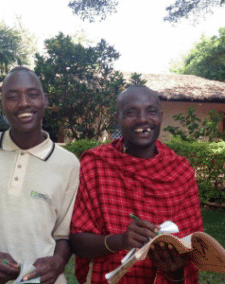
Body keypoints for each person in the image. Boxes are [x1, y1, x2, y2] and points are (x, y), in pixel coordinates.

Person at [69, 85, 203, 284]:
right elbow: (77, 240)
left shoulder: (180, 171)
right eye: (131, 112)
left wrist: (174, 272)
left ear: (161, 116)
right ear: (117, 119)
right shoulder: (95, 165)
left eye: (151, 111)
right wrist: (121, 240)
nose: (143, 119)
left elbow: (194, 250)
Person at [0, 66, 80, 284]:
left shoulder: (68, 164)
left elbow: (65, 234)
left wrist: (58, 262)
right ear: (3, 104)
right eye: (12, 97)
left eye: (32, 95)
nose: (24, 103)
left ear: (45, 100)